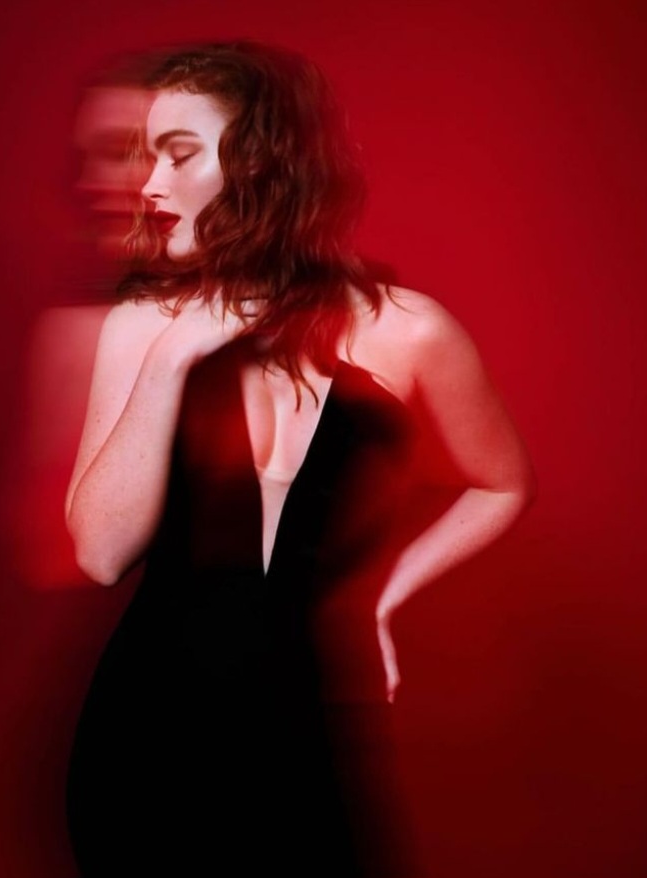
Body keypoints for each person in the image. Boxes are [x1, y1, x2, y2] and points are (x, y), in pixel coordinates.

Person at [64, 40, 536, 877]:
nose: (149, 185)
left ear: (259, 163)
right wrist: (173, 358)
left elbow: (502, 483)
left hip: (307, 722)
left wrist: (386, 597)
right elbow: (100, 555)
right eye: (149, 157)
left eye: (179, 154)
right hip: (146, 737)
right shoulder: (139, 329)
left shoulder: (408, 330)